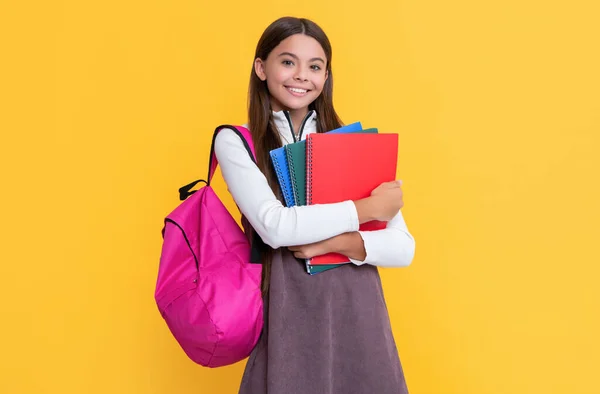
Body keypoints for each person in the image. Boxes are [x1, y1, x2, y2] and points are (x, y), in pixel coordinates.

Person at [214, 16, 415, 394]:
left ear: (326, 77)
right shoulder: (237, 142)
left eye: (315, 66)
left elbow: (403, 248)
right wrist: (365, 209)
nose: (301, 75)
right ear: (261, 68)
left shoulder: (354, 145)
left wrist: (331, 244)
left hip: (359, 309)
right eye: (288, 62)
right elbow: (274, 227)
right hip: (287, 309)